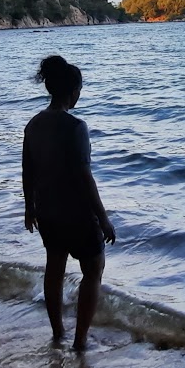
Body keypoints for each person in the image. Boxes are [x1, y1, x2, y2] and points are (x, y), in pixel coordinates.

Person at [22, 55, 116, 351]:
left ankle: (58, 332)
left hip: (47, 211)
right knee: (93, 270)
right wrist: (103, 219)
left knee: (55, 267)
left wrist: (29, 208)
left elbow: (27, 170)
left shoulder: (34, 124)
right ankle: (80, 341)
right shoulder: (76, 126)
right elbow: (84, 177)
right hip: (75, 213)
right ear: (73, 92)